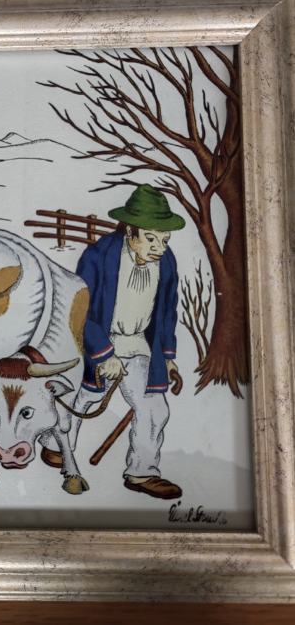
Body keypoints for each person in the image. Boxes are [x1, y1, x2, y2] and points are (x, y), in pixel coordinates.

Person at [76, 184, 185, 500]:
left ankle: (142, 472)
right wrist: (103, 354)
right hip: (97, 341)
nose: (159, 248)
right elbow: (81, 310)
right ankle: (56, 445)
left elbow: (167, 311)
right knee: (85, 398)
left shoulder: (166, 262)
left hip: (139, 344)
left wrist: (167, 357)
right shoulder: (97, 257)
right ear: (130, 232)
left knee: (154, 408)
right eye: (151, 239)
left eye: (164, 240)